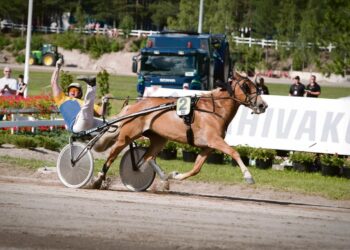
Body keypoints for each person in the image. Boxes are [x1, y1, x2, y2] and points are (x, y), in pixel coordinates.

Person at [51, 59, 107, 133]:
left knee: (109, 124)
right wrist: (57, 68)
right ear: (68, 92)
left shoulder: (83, 102)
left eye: (76, 91)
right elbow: (54, 83)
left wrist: (105, 103)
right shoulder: (62, 99)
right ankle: (91, 85)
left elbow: (101, 113)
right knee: (86, 107)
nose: (73, 93)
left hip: (89, 122)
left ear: (80, 93)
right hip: (76, 125)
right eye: (71, 91)